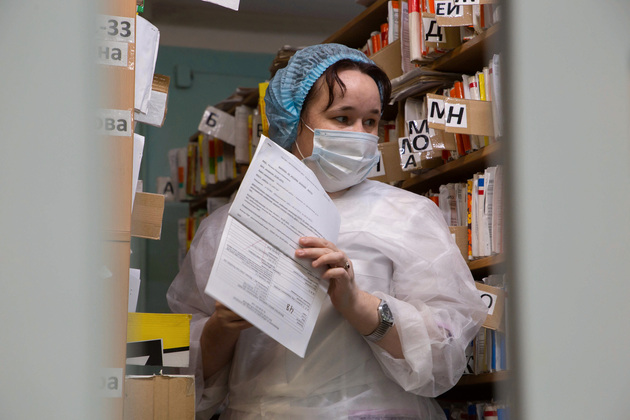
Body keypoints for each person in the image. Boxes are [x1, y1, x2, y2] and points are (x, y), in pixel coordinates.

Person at [167, 43, 487, 419]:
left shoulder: (409, 215)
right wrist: (221, 328)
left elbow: (444, 354)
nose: (360, 134)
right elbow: (182, 376)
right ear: (292, 119)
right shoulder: (228, 225)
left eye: (370, 122)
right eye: (342, 118)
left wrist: (360, 305)